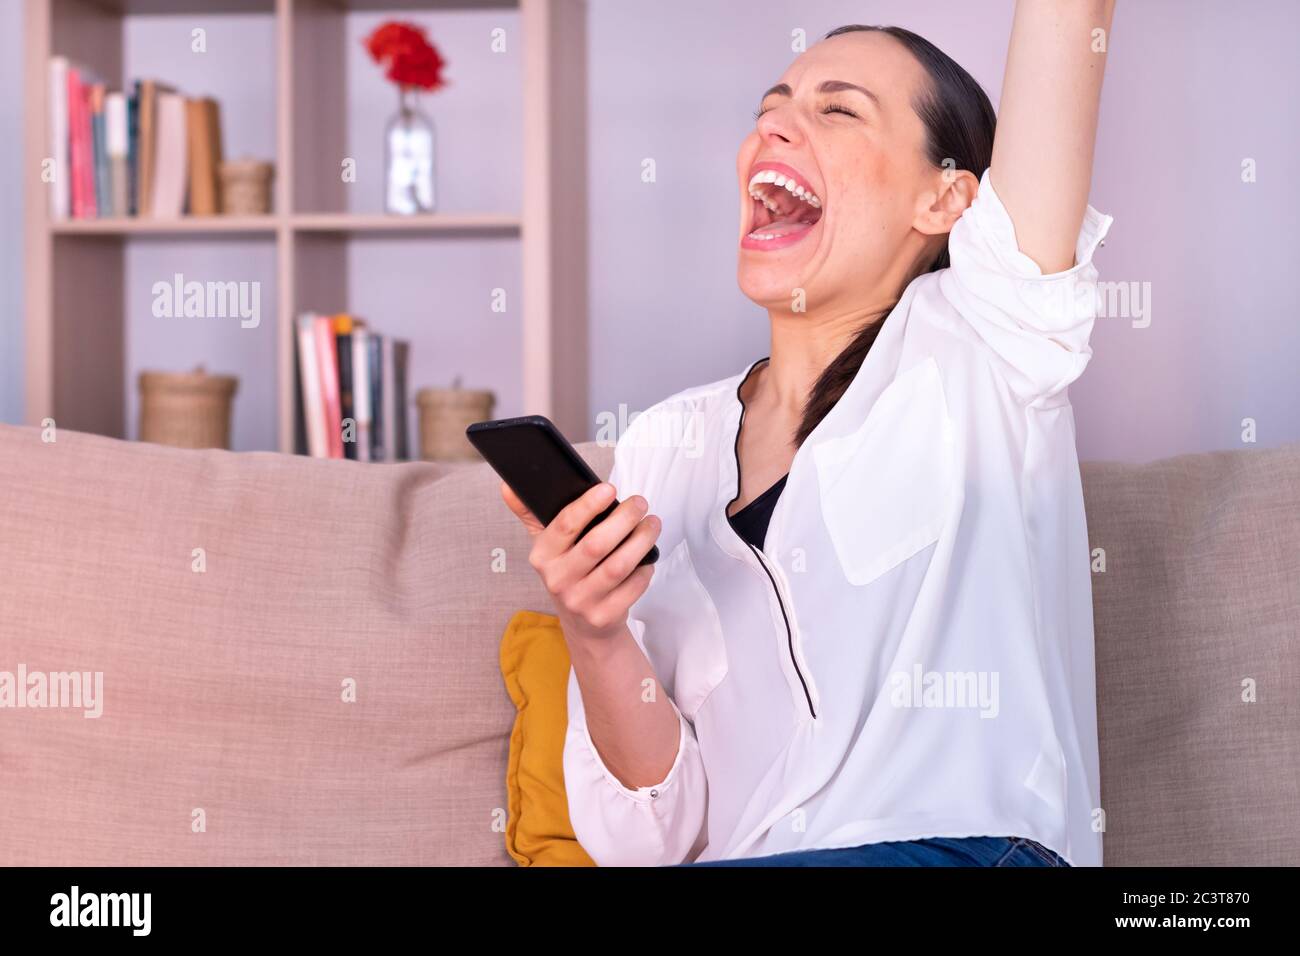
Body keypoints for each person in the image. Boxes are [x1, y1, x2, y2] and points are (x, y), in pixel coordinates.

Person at [503, 0, 1116, 867]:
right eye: (770, 109)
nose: (775, 128)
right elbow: (650, 841)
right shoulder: (664, 443)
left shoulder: (988, 345)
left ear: (945, 196)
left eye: (837, 109)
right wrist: (594, 631)